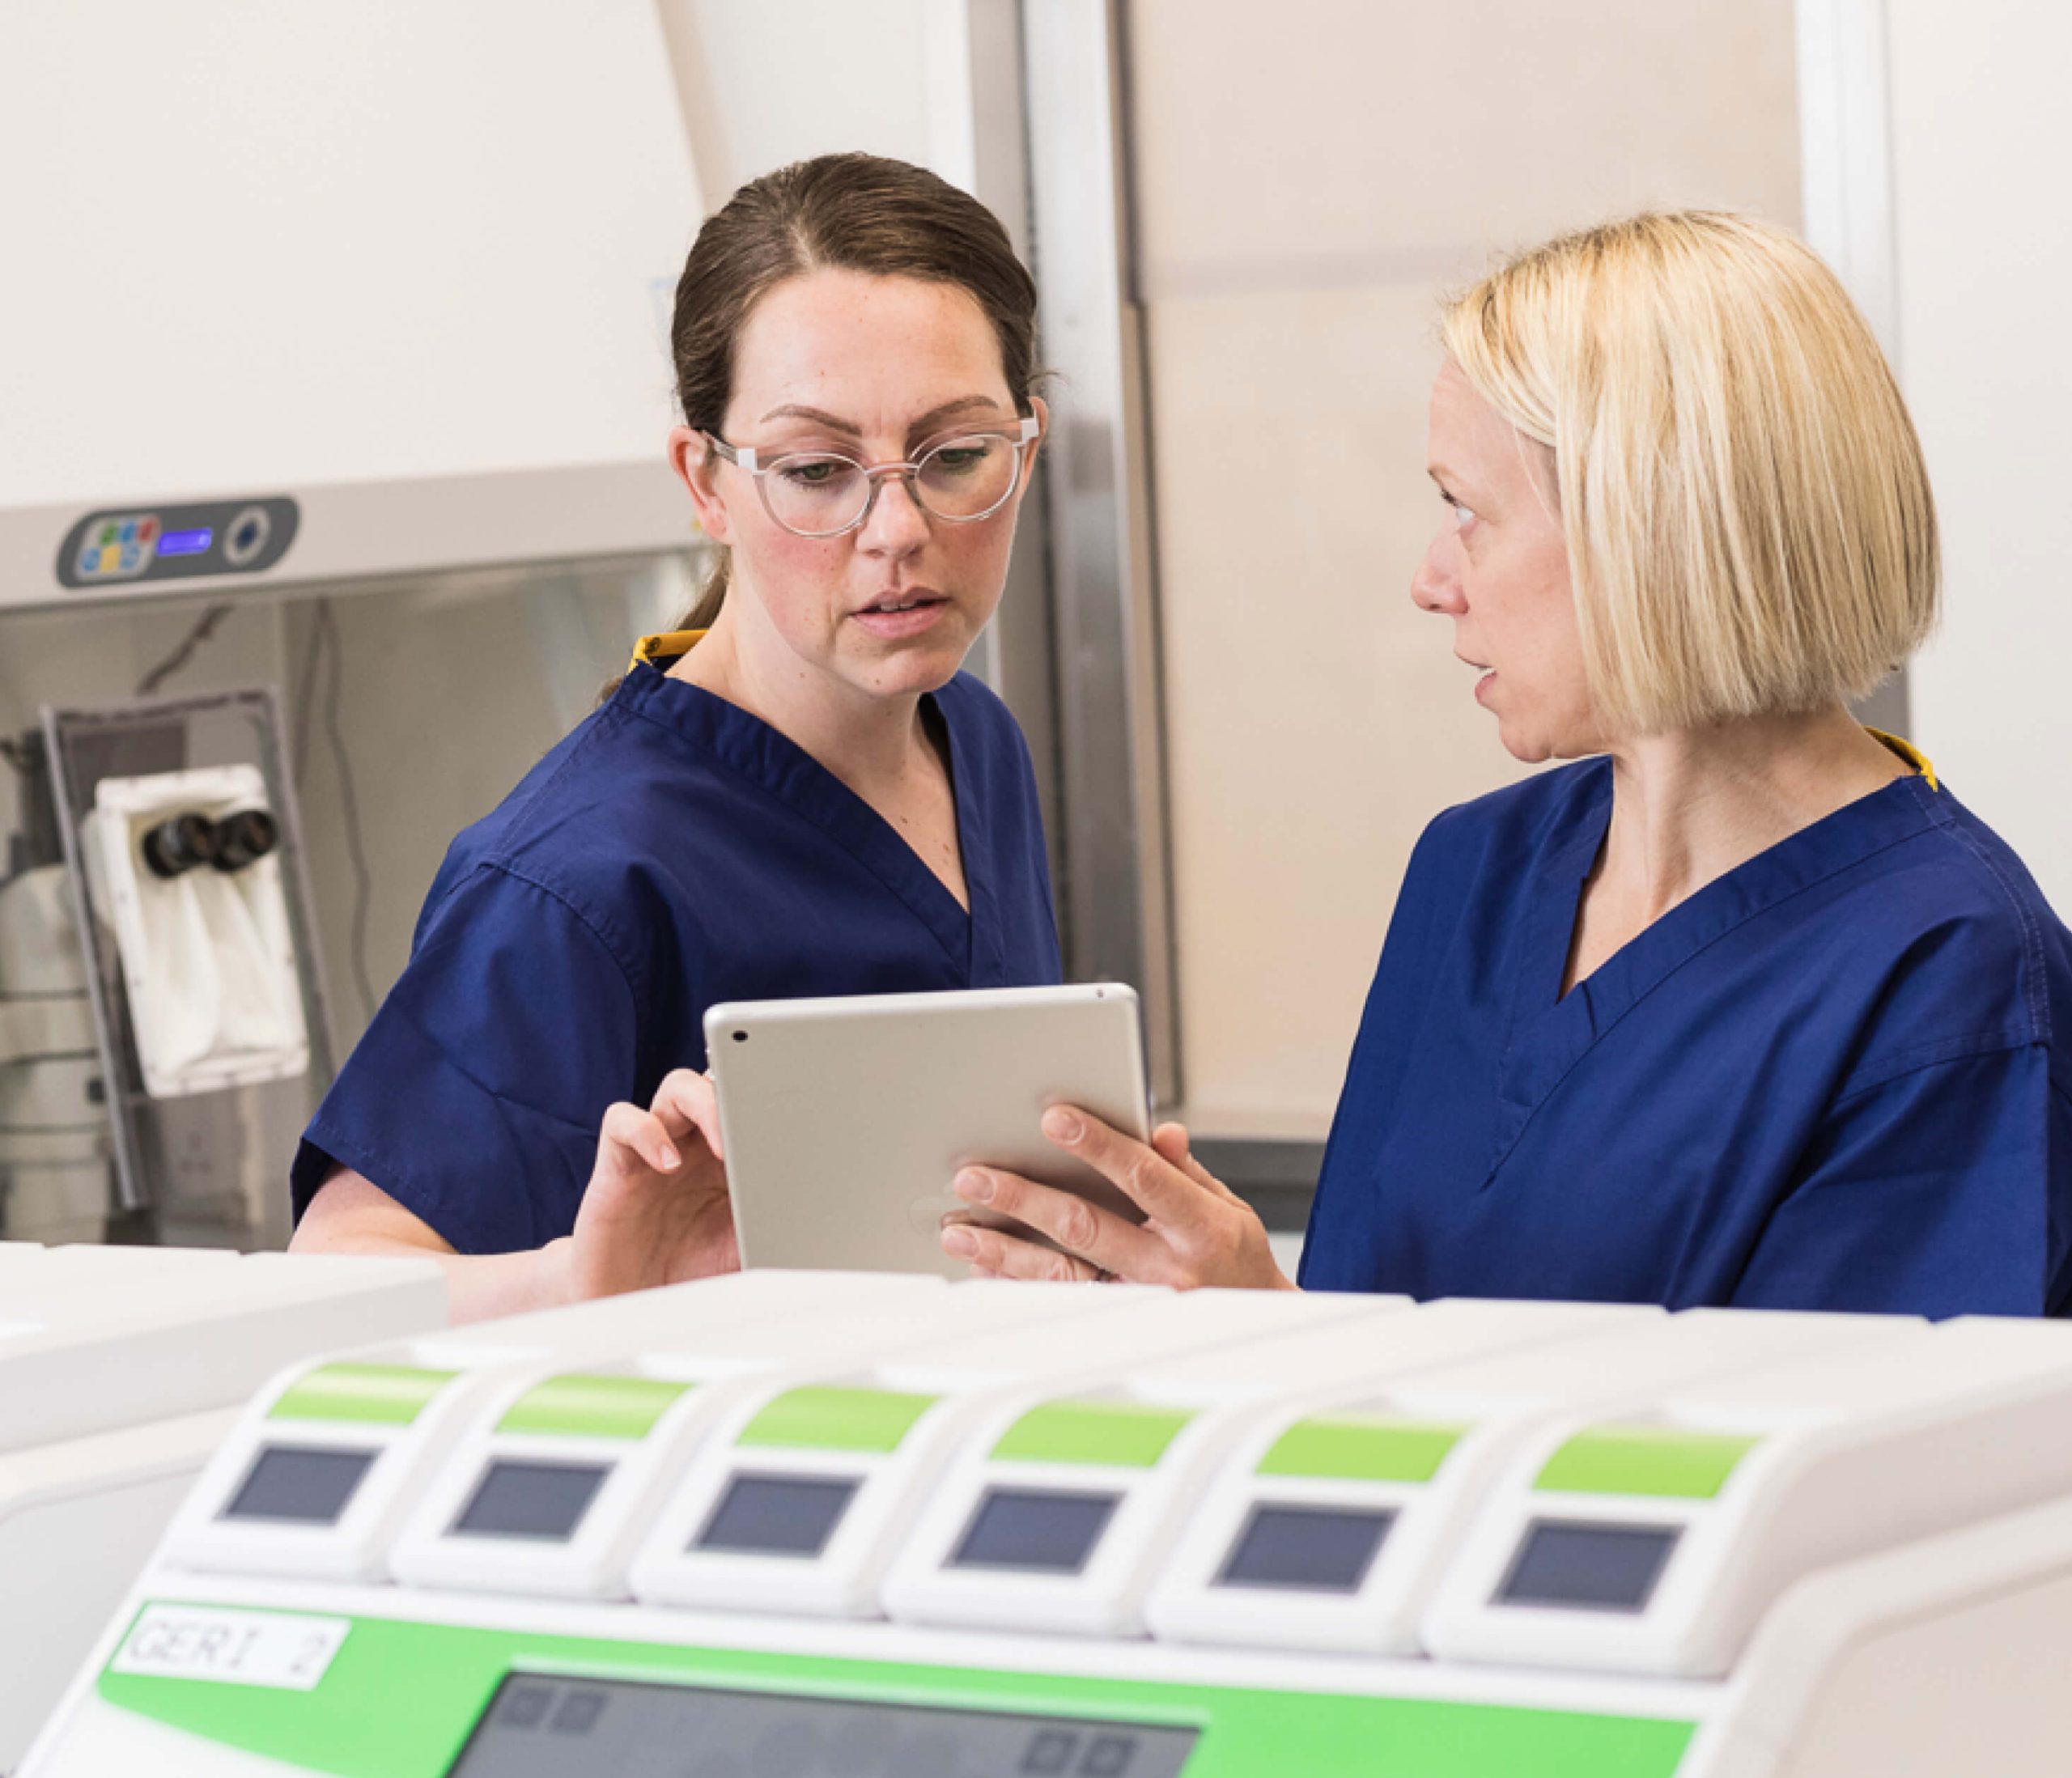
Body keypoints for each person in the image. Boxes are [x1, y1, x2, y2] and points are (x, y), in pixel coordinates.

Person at [948, 210, 2072, 1318]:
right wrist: (1246, 1311)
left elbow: (1831, 1482)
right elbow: (1374, 1362)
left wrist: (1283, 1347)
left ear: (1646, 528)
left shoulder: (1952, 978)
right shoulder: (1476, 866)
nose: (1432, 578)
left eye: (1466, 510)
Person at [292, 154, 1057, 1319]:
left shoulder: (975, 743)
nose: (897, 528)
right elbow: (336, 1279)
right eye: (815, 470)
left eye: (955, 457)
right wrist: (591, 1277)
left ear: (1028, 446)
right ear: (706, 481)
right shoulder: (580, 878)